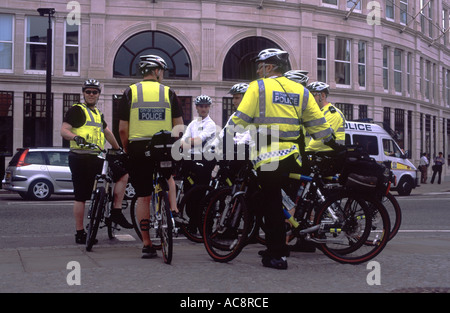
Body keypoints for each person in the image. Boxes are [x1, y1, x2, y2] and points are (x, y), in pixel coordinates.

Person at [230, 48, 339, 270]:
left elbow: (239, 120)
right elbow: (318, 125)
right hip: (294, 157)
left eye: (260, 65)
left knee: (269, 204)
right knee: (283, 202)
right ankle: (289, 237)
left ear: (270, 67)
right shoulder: (301, 91)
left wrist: (224, 140)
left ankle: (277, 255)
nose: (258, 70)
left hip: (268, 157)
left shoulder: (258, 87)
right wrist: (335, 145)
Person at [118, 55, 184, 259]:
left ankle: (147, 243)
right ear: (156, 71)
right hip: (163, 147)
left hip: (138, 148)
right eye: (161, 71)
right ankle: (172, 212)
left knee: (144, 196)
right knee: (167, 179)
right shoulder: (169, 92)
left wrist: (127, 149)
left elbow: (122, 129)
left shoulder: (130, 92)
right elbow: (179, 126)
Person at [61, 79, 133, 245]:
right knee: (80, 196)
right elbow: (63, 130)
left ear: (99, 94)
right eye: (88, 92)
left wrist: (119, 149)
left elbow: (107, 133)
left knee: (122, 175)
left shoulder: (97, 114)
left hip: (96, 156)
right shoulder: (77, 110)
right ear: (83, 93)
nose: (91, 94)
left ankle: (115, 210)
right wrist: (75, 137)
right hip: (79, 156)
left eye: (95, 92)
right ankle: (80, 232)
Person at [180, 95, 217, 234]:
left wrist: (189, 142)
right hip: (191, 160)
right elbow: (183, 142)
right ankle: (192, 224)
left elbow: (198, 140)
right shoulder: (192, 124)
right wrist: (190, 142)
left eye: (206, 106)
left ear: (209, 107)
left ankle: (201, 225)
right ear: (196, 107)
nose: (203, 108)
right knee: (189, 195)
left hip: (205, 161)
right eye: (201, 106)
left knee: (200, 195)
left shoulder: (211, 124)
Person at [306, 81, 346, 152]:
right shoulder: (318, 112)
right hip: (318, 155)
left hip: (330, 156)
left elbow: (324, 137)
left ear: (323, 95)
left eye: (313, 95)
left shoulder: (333, 113)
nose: (310, 98)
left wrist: (305, 150)